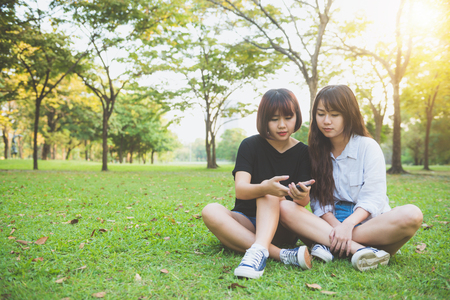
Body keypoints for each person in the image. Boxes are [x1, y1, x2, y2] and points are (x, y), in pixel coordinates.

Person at [279, 85, 423, 271]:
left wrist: (348, 226)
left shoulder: (367, 147)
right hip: (329, 222)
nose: (326, 121)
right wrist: (337, 227)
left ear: (349, 114)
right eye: (321, 114)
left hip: (369, 225)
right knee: (284, 206)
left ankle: (328, 244)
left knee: (412, 214)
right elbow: (318, 203)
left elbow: (373, 197)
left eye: (335, 114)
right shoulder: (314, 151)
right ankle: (362, 250)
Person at [202, 88, 314, 279]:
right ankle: (281, 254)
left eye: (288, 117)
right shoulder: (250, 145)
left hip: (281, 226)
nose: (282, 125)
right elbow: (241, 190)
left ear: (297, 117)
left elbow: (303, 204)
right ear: (264, 120)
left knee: (272, 195)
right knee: (210, 210)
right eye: (274, 119)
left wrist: (301, 196)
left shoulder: (304, 152)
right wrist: (265, 187)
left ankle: (260, 249)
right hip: (246, 222)